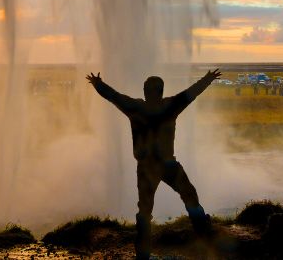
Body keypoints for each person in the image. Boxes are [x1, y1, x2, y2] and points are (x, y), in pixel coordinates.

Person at [87, 69, 220, 260]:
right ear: (161, 91)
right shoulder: (170, 106)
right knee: (189, 194)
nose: (146, 92)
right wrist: (208, 79)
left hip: (147, 167)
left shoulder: (135, 107)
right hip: (168, 164)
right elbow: (190, 94)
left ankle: (143, 253)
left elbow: (113, 97)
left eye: (146, 89)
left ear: (147, 91)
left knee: (145, 210)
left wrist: (98, 84)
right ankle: (204, 233)